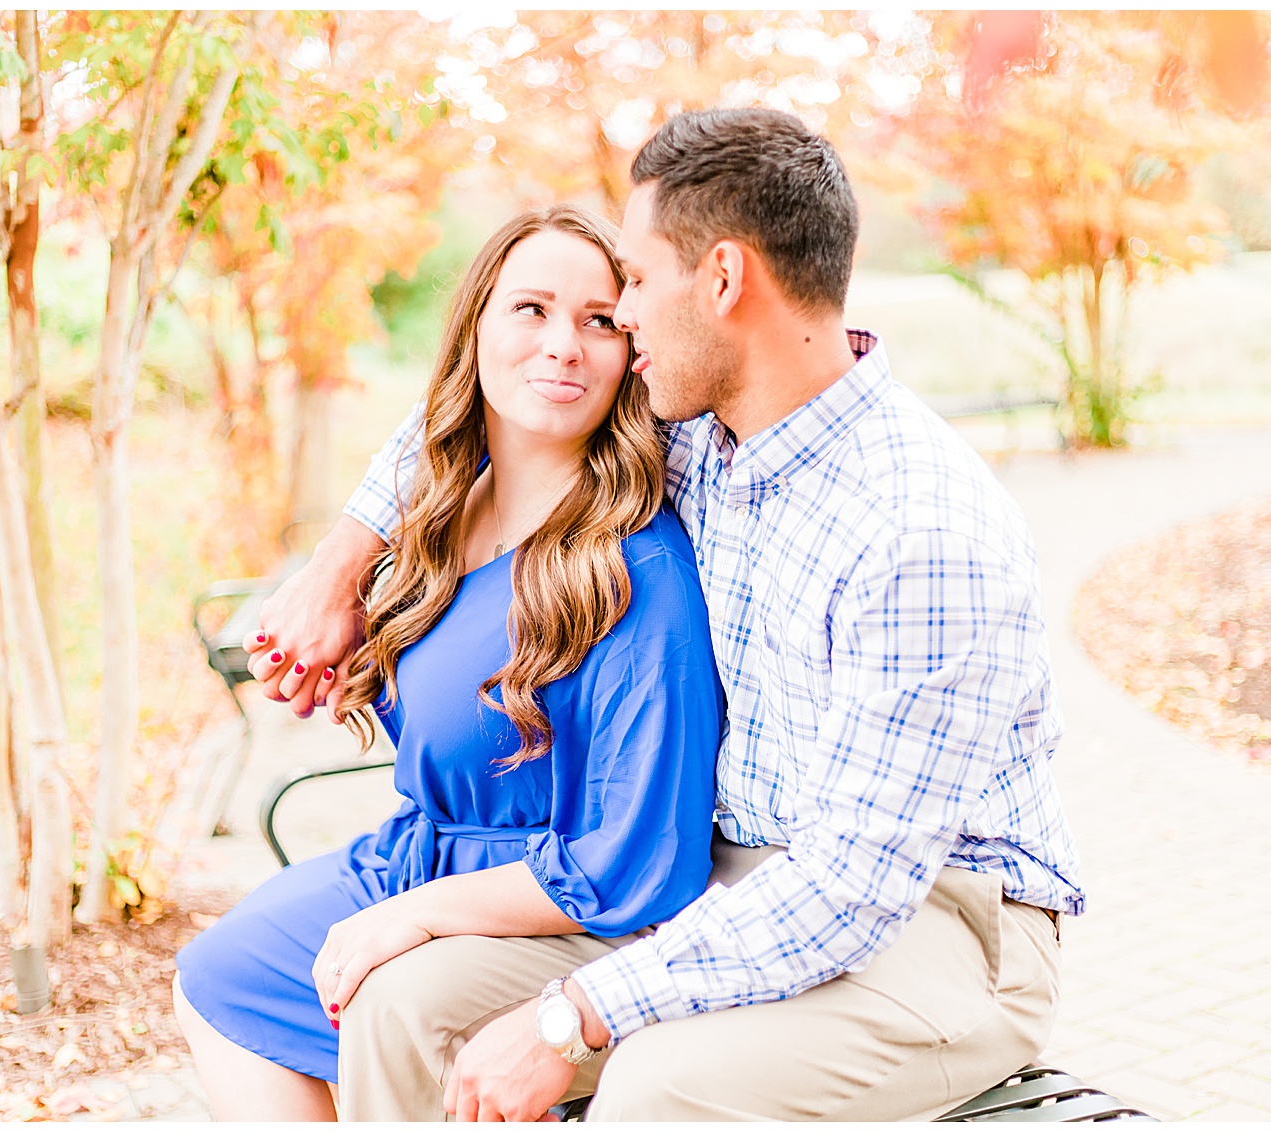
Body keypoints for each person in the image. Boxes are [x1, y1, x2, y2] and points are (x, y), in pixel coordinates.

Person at [250, 107, 1087, 1122]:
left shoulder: (920, 527)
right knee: (401, 1007)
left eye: (634, 286)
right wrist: (344, 561)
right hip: (724, 878)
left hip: (936, 926)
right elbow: (480, 405)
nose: (619, 321)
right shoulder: (699, 435)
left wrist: (572, 1014)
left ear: (724, 279)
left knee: (659, 1084)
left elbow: (852, 890)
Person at [172, 204, 723, 1121]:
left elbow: (636, 866)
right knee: (218, 980)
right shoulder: (437, 519)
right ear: (477, 330)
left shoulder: (636, 574)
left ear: (632, 353)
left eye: (598, 321)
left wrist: (419, 918)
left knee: (382, 1003)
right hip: (414, 856)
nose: (564, 347)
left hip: (553, 914)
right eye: (531, 311)